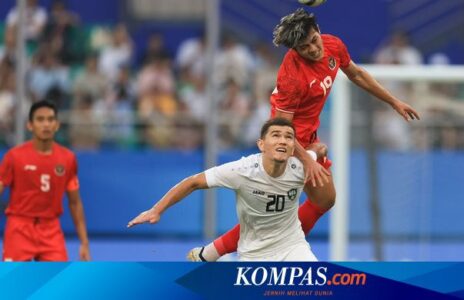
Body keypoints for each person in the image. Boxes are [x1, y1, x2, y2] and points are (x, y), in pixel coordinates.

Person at [201, 8, 420, 261]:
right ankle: (221, 252)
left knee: (325, 199)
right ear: (295, 50)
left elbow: (356, 74)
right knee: (279, 217)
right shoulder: (291, 74)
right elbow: (280, 129)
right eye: (305, 48)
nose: (313, 49)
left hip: (308, 139)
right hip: (285, 145)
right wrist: (307, 159)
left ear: (319, 32)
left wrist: (393, 102)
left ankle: (215, 252)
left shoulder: (333, 45)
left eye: (314, 41)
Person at [127, 118, 320, 261]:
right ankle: (209, 256)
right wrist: (156, 210)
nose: (282, 141)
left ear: (294, 146)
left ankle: (207, 255)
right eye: (276, 135)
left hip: (293, 247)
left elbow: (319, 149)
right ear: (261, 144)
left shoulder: (301, 167)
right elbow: (192, 182)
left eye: (288, 137)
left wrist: (318, 155)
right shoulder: (242, 170)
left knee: (319, 290)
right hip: (254, 254)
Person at [0, 100, 91, 261]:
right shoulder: (14, 157)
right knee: (15, 283)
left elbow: (75, 203)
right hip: (19, 228)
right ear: (30, 125)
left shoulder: (67, 158)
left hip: (51, 229)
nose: (46, 124)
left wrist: (84, 242)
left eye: (50, 119)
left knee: (57, 283)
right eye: (40, 119)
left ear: (57, 125)